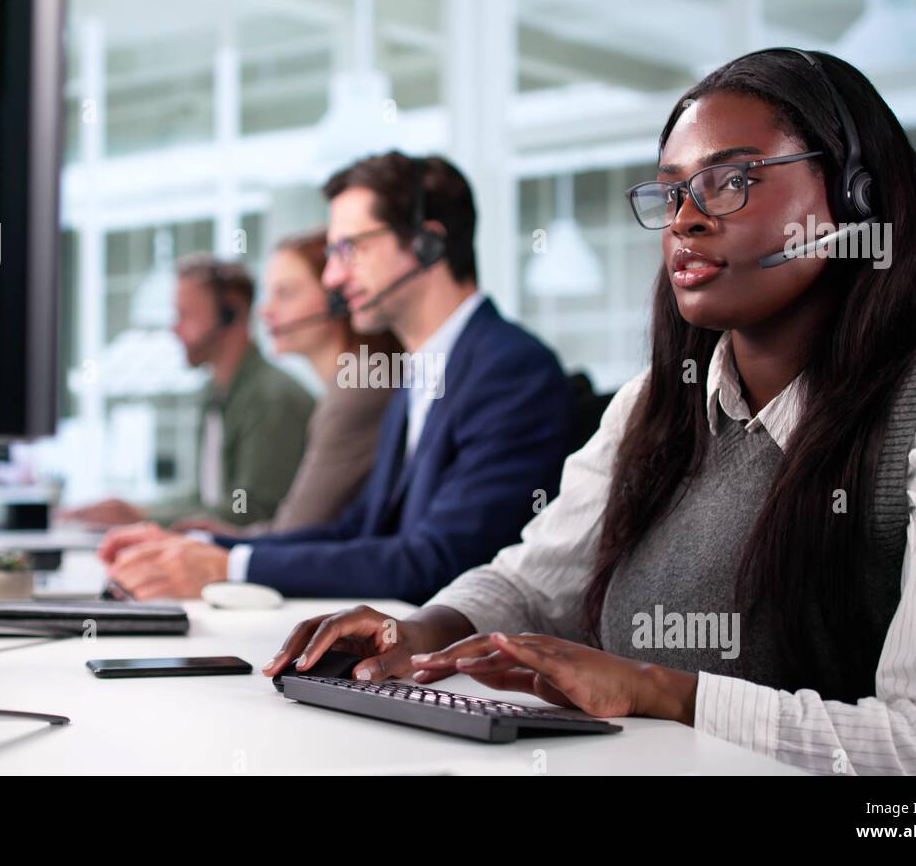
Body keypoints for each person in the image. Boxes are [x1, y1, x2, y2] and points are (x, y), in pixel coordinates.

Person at [262, 50, 916, 775]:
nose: (686, 220)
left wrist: (667, 690)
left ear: (853, 197)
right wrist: (424, 629)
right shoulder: (654, 403)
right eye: (672, 192)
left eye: (730, 180)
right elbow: (536, 584)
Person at [97, 152, 573, 604]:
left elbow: (439, 560)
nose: (332, 278)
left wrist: (230, 568)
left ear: (428, 244)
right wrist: (206, 545)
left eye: (350, 249)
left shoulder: (510, 371)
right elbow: (360, 529)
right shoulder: (420, 372)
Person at [61, 254, 314, 528]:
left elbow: (252, 509)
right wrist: (134, 510)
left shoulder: (271, 398)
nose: (174, 328)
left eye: (185, 315)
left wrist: (146, 517)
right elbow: (207, 497)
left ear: (231, 314)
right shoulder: (216, 393)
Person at [173, 229, 398, 535]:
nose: (265, 311)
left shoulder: (358, 385)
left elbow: (293, 528)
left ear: (338, 298)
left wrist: (213, 542)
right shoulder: (349, 382)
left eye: (286, 293)